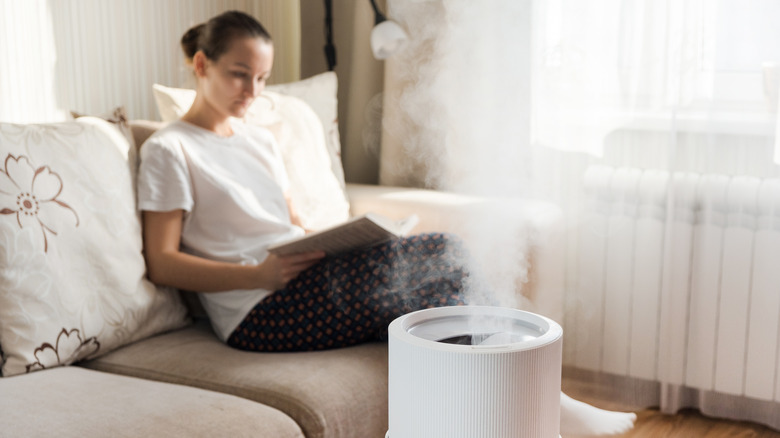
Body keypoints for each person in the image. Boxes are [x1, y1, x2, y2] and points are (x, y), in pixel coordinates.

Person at [137, 10, 635, 436]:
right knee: (443, 250)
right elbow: (162, 263)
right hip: (257, 309)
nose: (252, 90)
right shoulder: (170, 148)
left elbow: (290, 224)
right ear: (202, 65)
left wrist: (349, 239)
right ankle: (543, 400)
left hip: (302, 275)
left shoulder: (259, 139)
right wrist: (258, 276)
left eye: (262, 78)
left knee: (436, 287)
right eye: (239, 74)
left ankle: (513, 410)